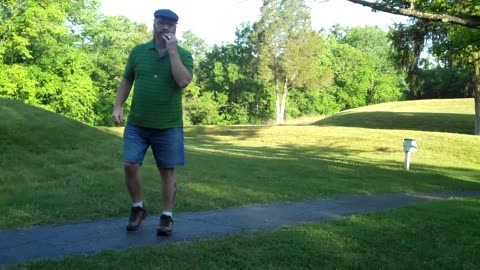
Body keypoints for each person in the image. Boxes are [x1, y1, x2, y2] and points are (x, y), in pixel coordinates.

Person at [111, 8, 193, 236]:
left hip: (168, 125)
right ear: (154, 24)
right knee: (129, 164)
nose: (165, 27)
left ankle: (167, 217)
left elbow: (183, 81)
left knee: (167, 171)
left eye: (170, 24)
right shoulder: (138, 52)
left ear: (176, 27)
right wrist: (117, 106)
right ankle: (138, 208)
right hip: (137, 123)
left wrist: (173, 51)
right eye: (161, 23)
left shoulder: (184, 54)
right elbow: (127, 79)